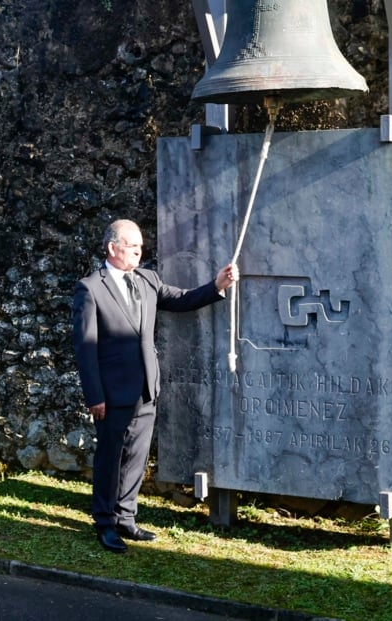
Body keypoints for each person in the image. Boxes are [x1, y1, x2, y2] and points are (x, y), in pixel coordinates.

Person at [72, 219, 238, 554]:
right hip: (111, 393)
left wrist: (216, 285)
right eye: (132, 246)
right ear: (112, 248)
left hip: (146, 389)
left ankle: (126, 518)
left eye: (140, 246)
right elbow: (85, 347)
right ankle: (104, 523)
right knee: (110, 459)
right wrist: (94, 395)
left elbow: (182, 300)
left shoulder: (147, 279)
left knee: (136, 458)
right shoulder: (90, 289)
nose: (139, 251)